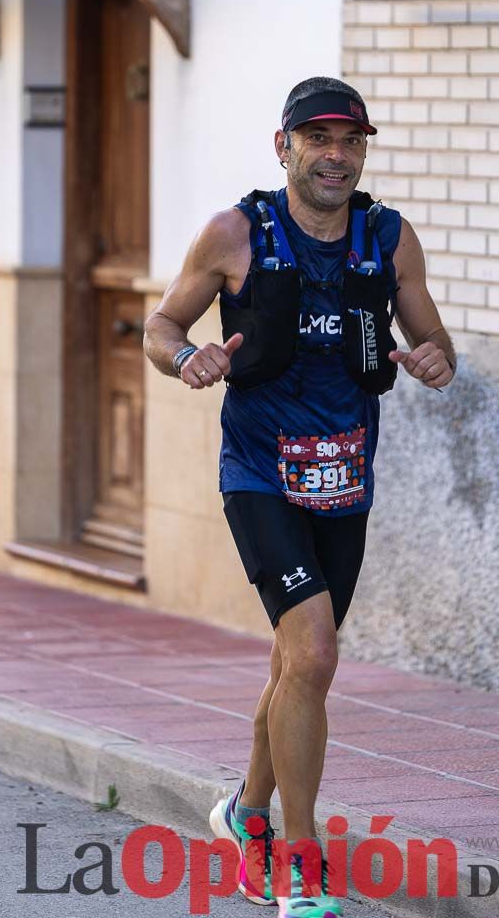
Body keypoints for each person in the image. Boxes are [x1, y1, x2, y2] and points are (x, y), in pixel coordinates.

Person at [143, 76, 455, 916]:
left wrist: (434, 360)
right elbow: (160, 327)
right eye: (317, 139)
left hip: (345, 484)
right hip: (260, 476)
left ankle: (244, 813)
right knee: (314, 652)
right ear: (283, 147)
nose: (335, 156)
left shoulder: (388, 239)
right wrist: (187, 360)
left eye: (350, 141)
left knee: (296, 668)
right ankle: (298, 861)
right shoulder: (235, 234)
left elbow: (436, 343)